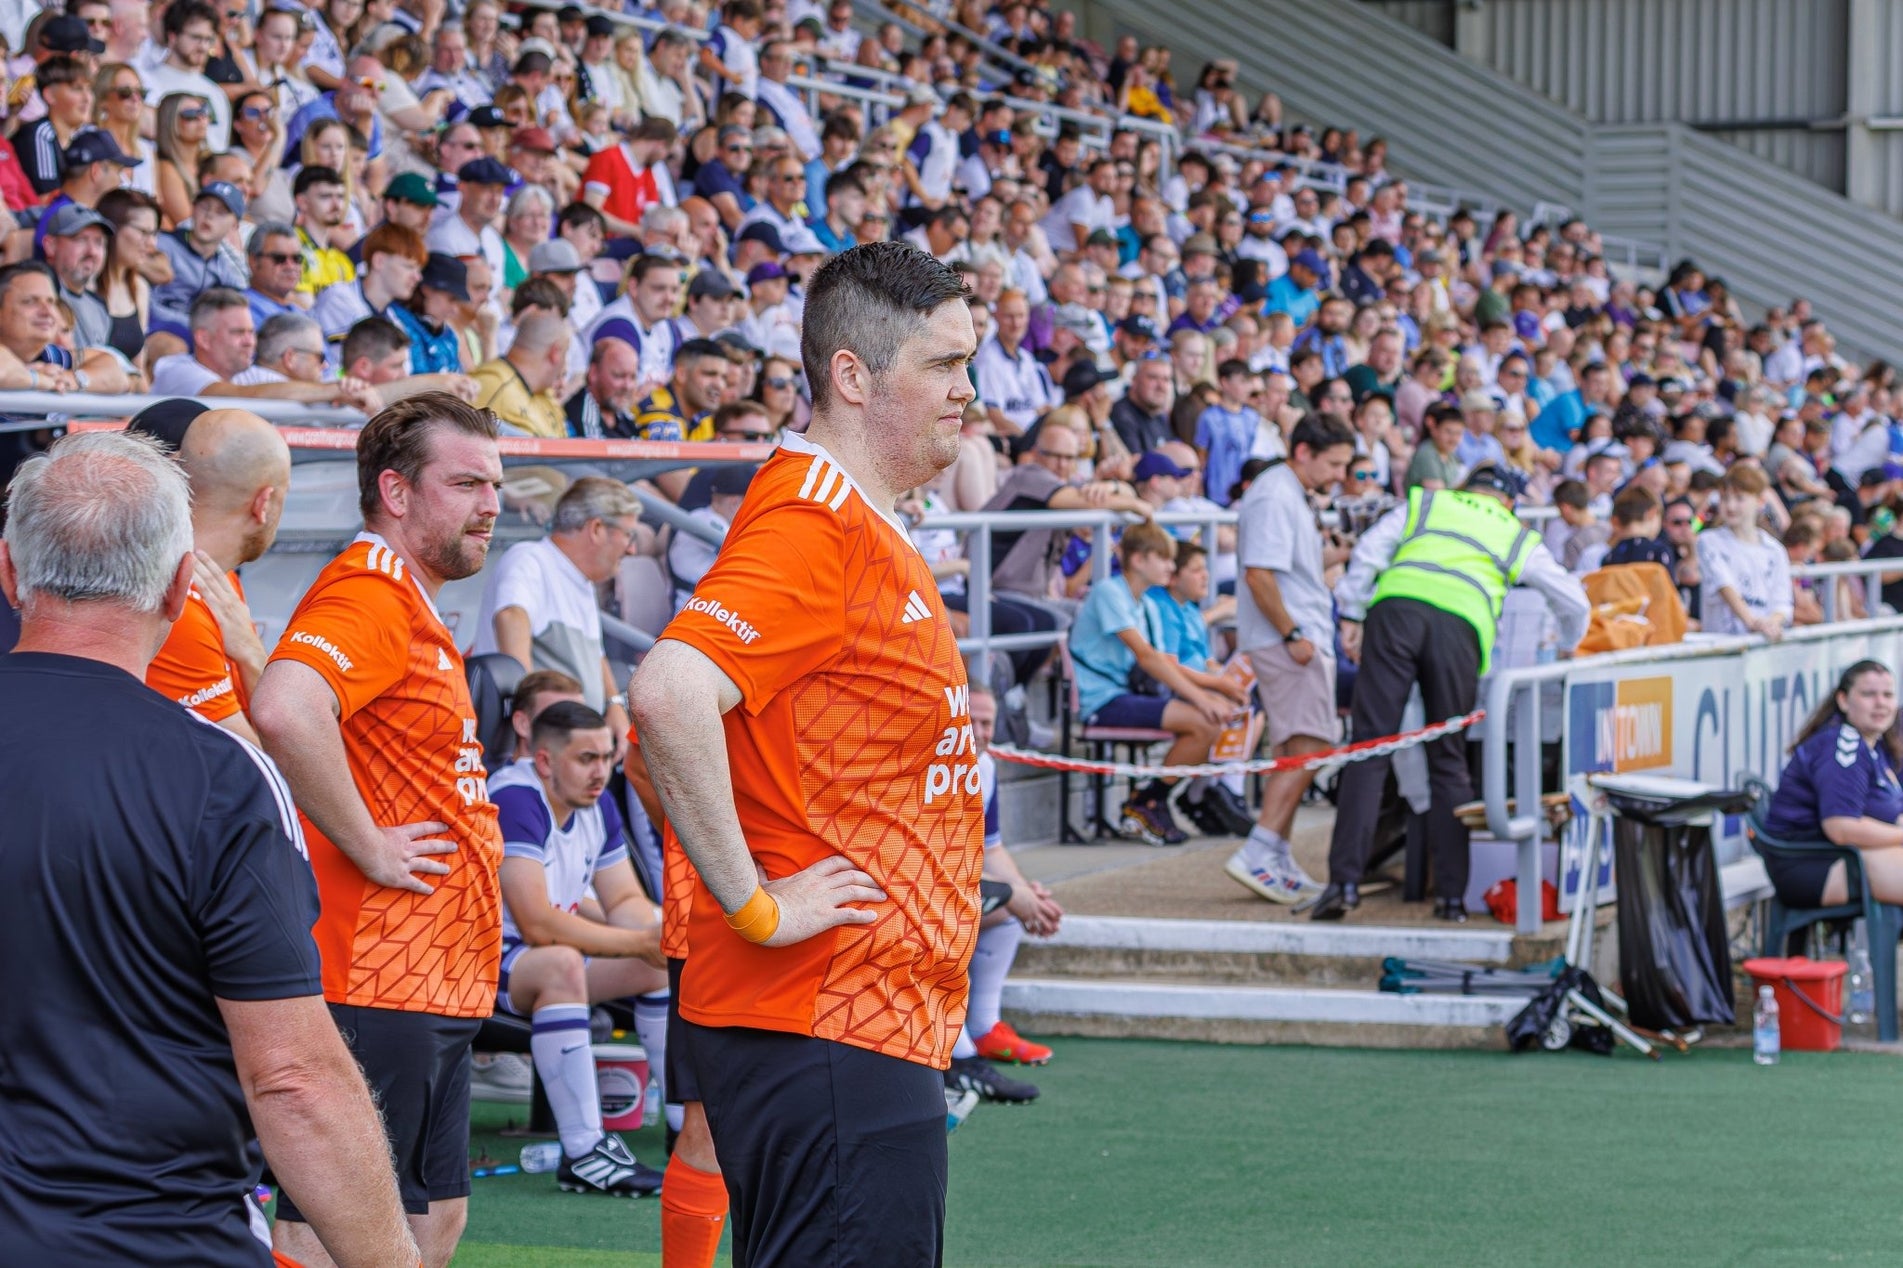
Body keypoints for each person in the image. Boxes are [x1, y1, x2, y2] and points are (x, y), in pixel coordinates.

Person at [627, 242, 984, 1267]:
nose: (967, 391)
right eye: (943, 364)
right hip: (825, 1010)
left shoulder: (851, 518)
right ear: (854, 375)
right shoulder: (815, 520)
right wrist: (754, 902)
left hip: (855, 1014)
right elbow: (666, 691)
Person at [0, 429, 420, 1265]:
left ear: (10, 573)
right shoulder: (217, 777)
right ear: (180, 587)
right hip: (152, 1235)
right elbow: (294, 1079)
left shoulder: (218, 777)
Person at [250, 394, 506, 1268]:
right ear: (395, 494)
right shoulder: (372, 588)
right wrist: (366, 841)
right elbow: (284, 706)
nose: (490, 504)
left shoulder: (406, 598)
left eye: (495, 483)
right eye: (466, 482)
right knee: (335, 1231)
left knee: (432, 1225)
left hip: (430, 977)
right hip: (379, 972)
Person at [1316, 466, 1591, 922]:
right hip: (1458, 629)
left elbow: (1369, 551)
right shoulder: (1511, 529)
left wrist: (1351, 610)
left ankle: (1342, 884)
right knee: (1448, 760)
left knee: (1369, 748)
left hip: (1395, 611)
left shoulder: (1426, 502)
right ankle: (1450, 899)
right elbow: (1573, 600)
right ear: (1509, 502)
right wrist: (1568, 644)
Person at [492, 701, 670, 1195]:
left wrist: (656, 937)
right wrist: (637, 940)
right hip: (475, 959)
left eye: (607, 757)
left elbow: (626, 901)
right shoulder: (516, 796)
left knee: (658, 967)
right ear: (545, 761)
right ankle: (584, 1151)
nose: (601, 772)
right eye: (585, 758)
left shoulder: (594, 802)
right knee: (562, 963)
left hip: (538, 958)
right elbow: (536, 923)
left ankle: (682, 1125)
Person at [1228, 413, 1356, 903]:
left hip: (1295, 635)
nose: (1339, 474)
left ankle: (1274, 851)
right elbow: (1259, 574)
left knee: (1303, 746)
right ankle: (1260, 848)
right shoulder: (1275, 493)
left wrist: (1343, 553)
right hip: (1289, 640)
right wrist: (1293, 633)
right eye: (1334, 463)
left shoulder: (1286, 491)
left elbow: (1289, 566)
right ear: (1303, 452)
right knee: (1310, 745)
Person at [1069, 520, 1253, 845]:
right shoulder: (1109, 591)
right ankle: (1146, 802)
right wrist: (1203, 697)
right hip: (1101, 700)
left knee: (1210, 719)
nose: (1171, 566)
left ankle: (1149, 799)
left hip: (1127, 695)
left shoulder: (1145, 603)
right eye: (1164, 559)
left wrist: (1212, 692)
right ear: (1138, 560)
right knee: (1202, 720)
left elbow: (1163, 661)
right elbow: (1147, 657)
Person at [135, 401, 289, 743]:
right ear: (263, 504)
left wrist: (251, 654)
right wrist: (251, 655)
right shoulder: (180, 602)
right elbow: (267, 767)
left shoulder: (216, 576)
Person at [476, 476, 639, 734]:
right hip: (541, 752)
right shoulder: (530, 559)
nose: (632, 549)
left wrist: (613, 704)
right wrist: (530, 721)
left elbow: (596, 654)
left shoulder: (580, 579)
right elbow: (510, 616)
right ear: (596, 529)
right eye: (629, 535)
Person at [1763, 661, 1903, 908]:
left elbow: (1889, 813)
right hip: (1810, 864)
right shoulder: (1842, 745)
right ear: (1843, 700)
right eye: (1869, 694)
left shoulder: (1876, 744)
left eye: (1888, 694)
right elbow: (1841, 828)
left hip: (1846, 856)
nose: (1880, 703)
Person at [1697, 462, 1792, 639]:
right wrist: (1753, 623)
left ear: (1760, 501)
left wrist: (1771, 623)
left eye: (1740, 498)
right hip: (1722, 644)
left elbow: (1783, 602)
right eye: (1725, 498)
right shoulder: (1709, 541)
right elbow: (1724, 585)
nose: (1730, 506)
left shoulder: (1774, 549)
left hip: (1763, 645)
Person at [472, 312, 571, 438]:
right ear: (555, 353)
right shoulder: (490, 385)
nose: (565, 363)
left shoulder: (548, 395)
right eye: (565, 353)